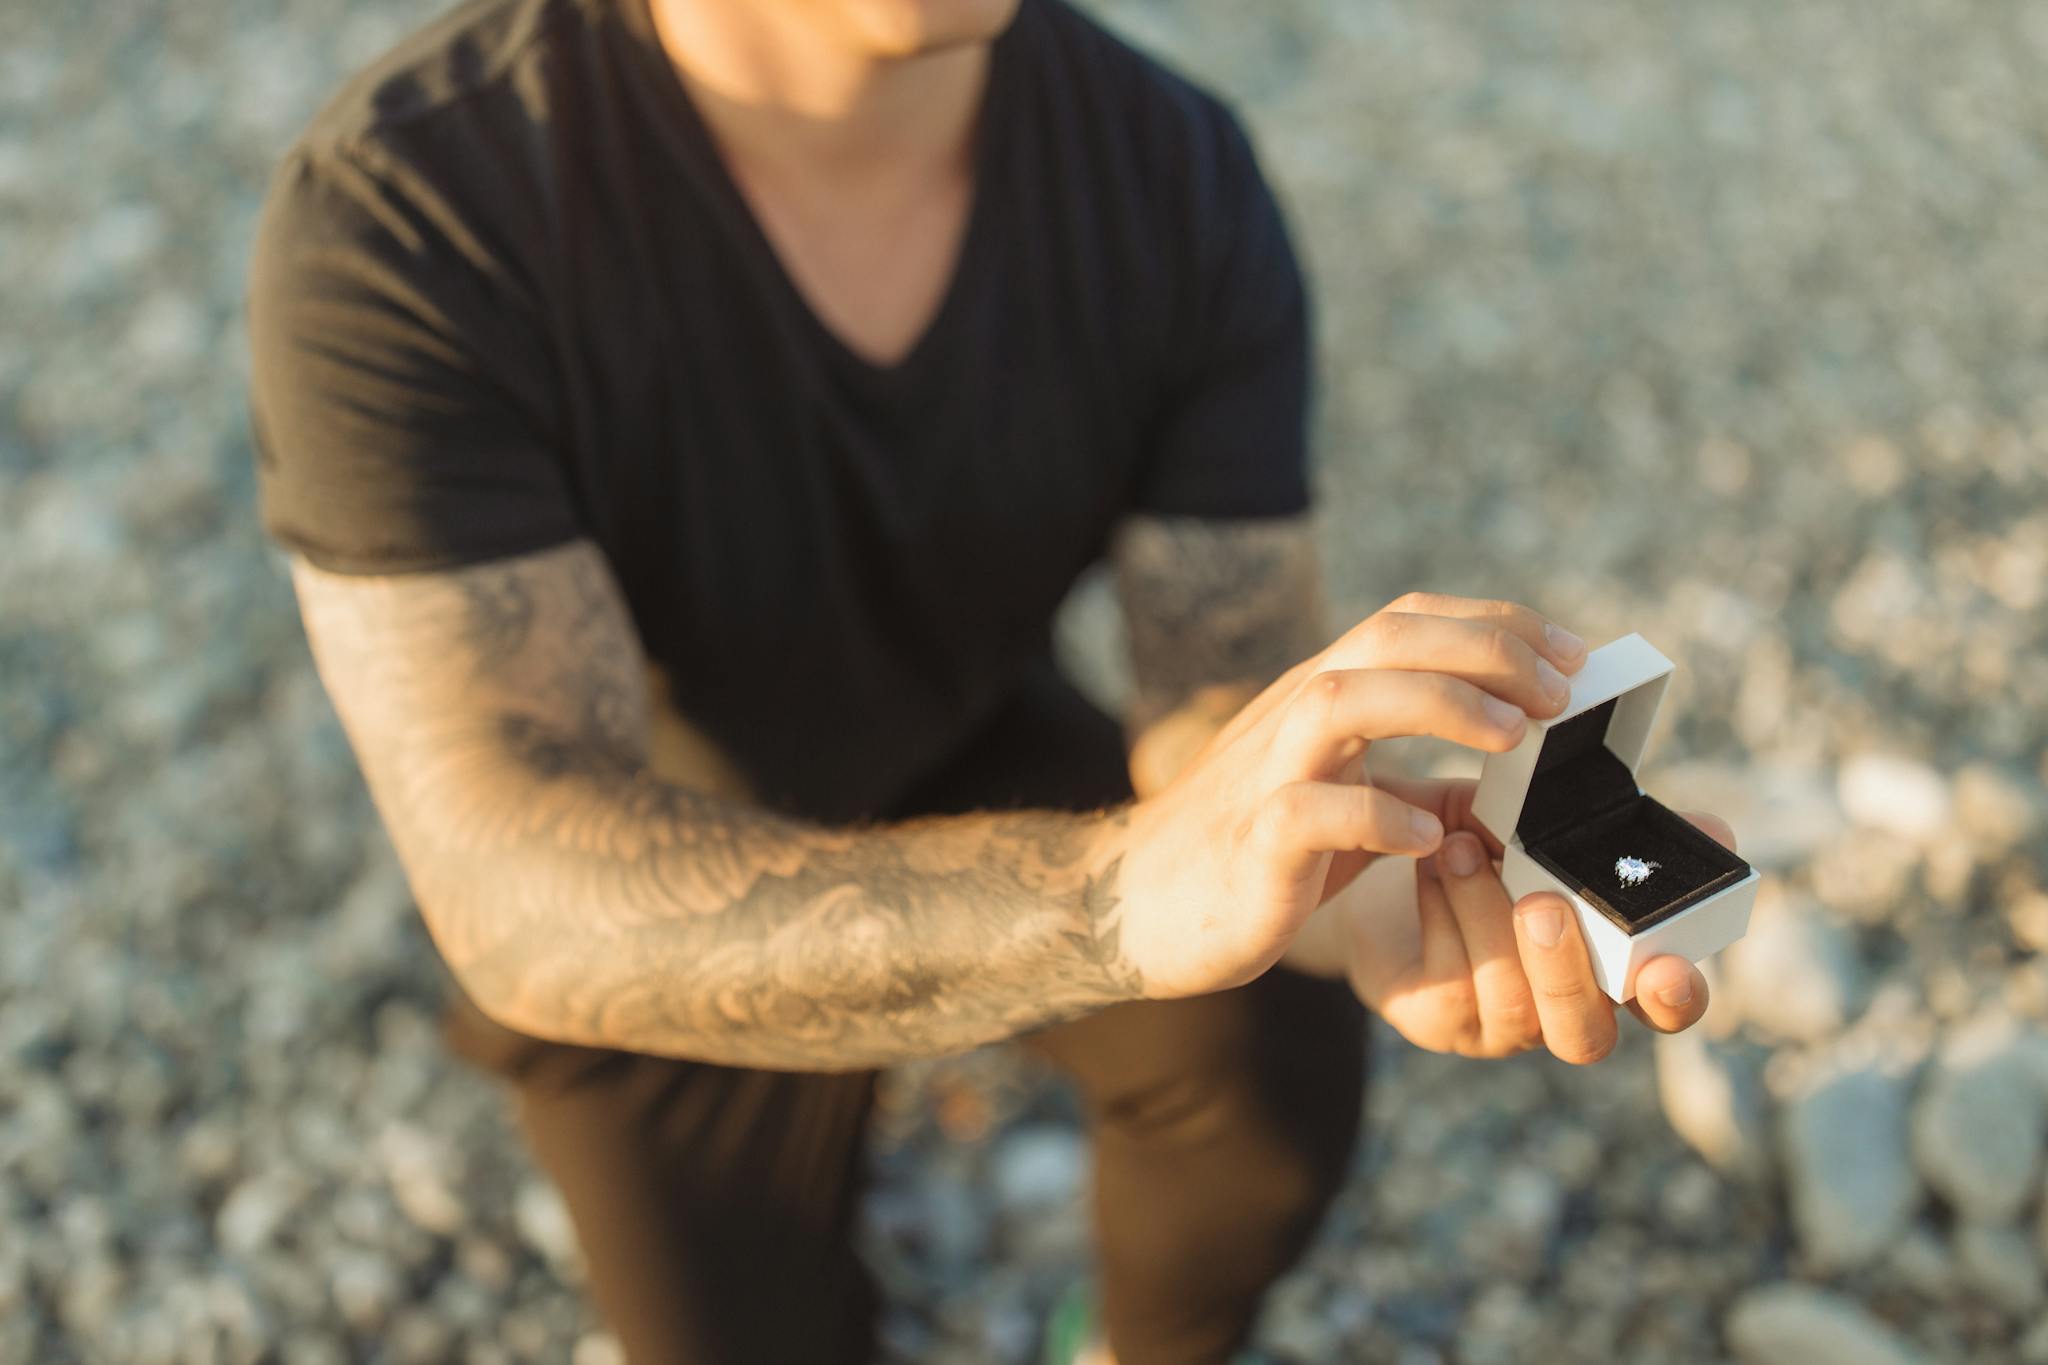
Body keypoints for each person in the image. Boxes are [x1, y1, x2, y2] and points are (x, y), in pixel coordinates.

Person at [246, 0, 1734, 1360]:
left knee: (1273, 1085)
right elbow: (511, 880)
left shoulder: (1171, 173)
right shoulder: (417, 212)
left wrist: (1349, 863)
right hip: (657, 848)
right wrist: (1114, 900)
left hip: (976, 732)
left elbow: (1211, 686)